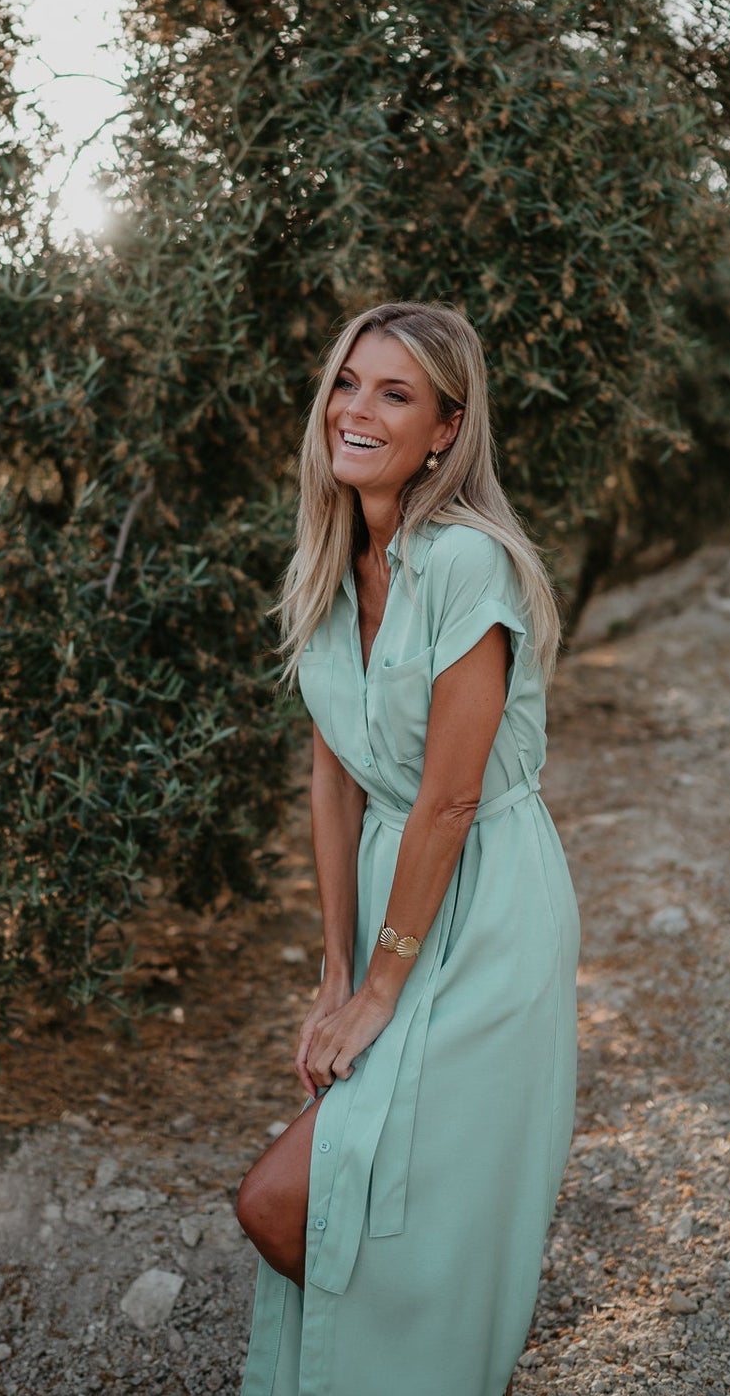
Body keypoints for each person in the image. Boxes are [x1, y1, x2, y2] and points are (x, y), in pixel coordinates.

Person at [236, 300, 579, 1396]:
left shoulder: (468, 564)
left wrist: (381, 988)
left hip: (486, 910)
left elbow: (449, 800)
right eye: (347, 382)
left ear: (445, 430)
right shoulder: (331, 562)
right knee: (351, 1210)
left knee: (293, 1201)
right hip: (391, 897)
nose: (357, 409)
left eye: (395, 393)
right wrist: (334, 971)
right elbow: (335, 778)